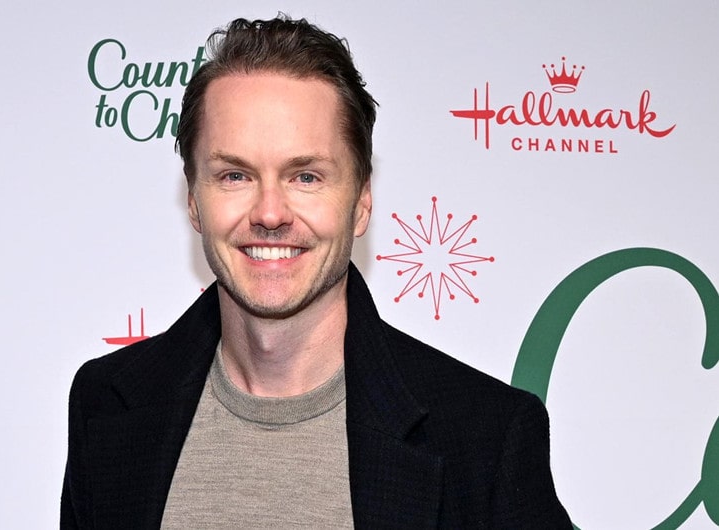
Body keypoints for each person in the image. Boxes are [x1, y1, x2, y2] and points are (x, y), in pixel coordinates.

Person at [61, 15, 572, 529]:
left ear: (362, 201)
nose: (269, 213)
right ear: (194, 199)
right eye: (234, 175)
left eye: (306, 176)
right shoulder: (103, 405)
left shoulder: (486, 437)